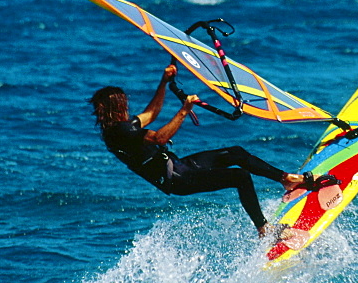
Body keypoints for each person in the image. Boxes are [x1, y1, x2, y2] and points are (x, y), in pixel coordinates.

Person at [89, 65, 321, 238]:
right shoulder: (121, 132)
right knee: (239, 176)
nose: (128, 107)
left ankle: (286, 179)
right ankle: (265, 229)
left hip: (178, 167)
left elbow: (150, 114)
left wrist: (163, 83)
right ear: (119, 106)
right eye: (125, 103)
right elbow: (160, 137)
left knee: (236, 153)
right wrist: (184, 109)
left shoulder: (117, 129)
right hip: (176, 179)